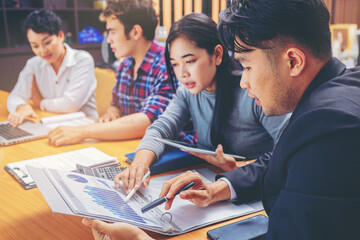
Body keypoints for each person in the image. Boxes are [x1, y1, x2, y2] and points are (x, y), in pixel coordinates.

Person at [83, 0, 360, 239]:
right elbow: (283, 163)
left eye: (248, 66)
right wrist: (218, 188)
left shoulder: (326, 129)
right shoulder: (342, 92)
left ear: (293, 61)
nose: (245, 82)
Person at [115, 13, 289, 193]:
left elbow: (289, 149)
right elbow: (161, 129)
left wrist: (241, 166)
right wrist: (139, 165)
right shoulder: (187, 93)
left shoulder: (252, 92)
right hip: (215, 181)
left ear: (217, 54)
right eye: (175, 64)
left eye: (190, 61)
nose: (182, 73)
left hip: (259, 188)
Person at [48, 0, 191, 146]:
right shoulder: (125, 64)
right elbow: (115, 104)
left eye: (112, 32)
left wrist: (82, 132)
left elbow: (148, 121)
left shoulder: (167, 65)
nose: (108, 40)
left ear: (135, 32)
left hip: (167, 153)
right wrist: (112, 112)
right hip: (128, 146)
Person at [7, 9, 98, 127]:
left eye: (47, 42)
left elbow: (71, 105)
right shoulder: (34, 64)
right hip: (51, 125)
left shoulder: (82, 60)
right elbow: (15, 96)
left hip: (86, 128)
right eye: (35, 46)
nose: (42, 51)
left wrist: (40, 103)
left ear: (60, 36)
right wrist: (22, 107)